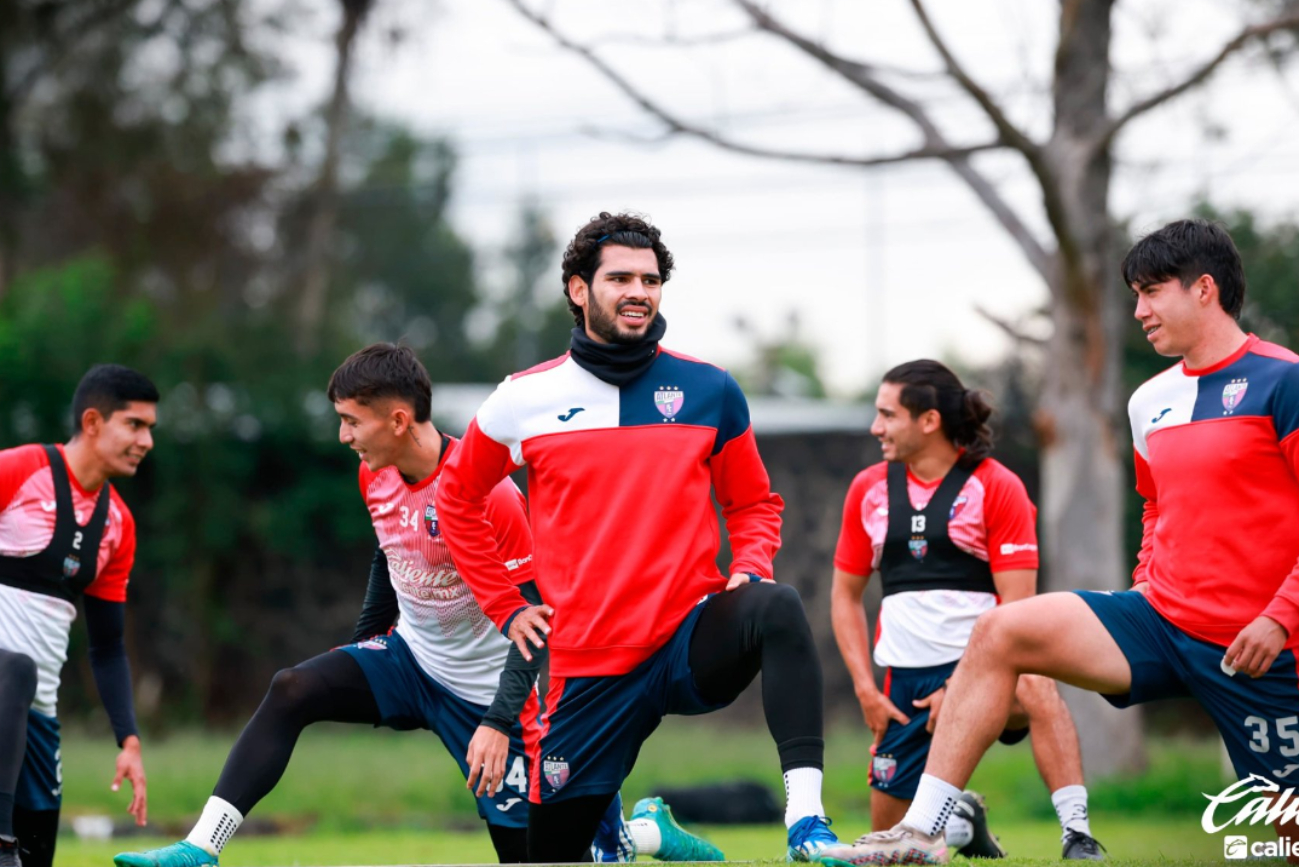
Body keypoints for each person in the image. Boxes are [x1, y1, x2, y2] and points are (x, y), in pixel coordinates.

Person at [113, 344, 716, 867]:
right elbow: (390, 554)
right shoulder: (372, 473)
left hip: (492, 700)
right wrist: (363, 645)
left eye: (351, 421)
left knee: (541, 858)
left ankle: (641, 833)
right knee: (293, 687)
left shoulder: (492, 498)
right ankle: (202, 846)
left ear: (399, 420)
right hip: (410, 661)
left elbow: (538, 625)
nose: (343, 435)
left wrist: (498, 723)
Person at [824, 219, 1299, 865]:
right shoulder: (1148, 400)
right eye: (1133, 294)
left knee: (1289, 836)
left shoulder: (1283, 380)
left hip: (1263, 647)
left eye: (1150, 291)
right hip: (1159, 619)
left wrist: (1279, 617)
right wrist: (1143, 584)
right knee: (1002, 631)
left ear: (1203, 288)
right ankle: (922, 829)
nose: (1138, 311)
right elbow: (1156, 507)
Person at [436, 211, 843, 863]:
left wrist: (753, 561)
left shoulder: (710, 390)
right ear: (577, 289)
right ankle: (644, 832)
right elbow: (455, 497)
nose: (639, 291)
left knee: (776, 605)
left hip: (686, 636)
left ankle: (806, 820)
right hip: (587, 665)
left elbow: (753, 502)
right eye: (620, 276)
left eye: (650, 279)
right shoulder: (522, 398)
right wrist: (506, 606)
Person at [830, 360, 1102, 860]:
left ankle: (1077, 833)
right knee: (890, 842)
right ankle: (959, 823)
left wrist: (960, 689)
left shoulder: (996, 487)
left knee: (1038, 685)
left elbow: (1020, 609)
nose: (876, 428)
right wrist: (866, 689)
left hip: (988, 674)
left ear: (928, 420)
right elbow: (845, 596)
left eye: (888, 415)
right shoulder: (868, 489)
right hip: (904, 689)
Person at [0, 364, 158, 867]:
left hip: (33, 713)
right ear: (93, 422)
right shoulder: (20, 470)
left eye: (150, 428)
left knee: (40, 848)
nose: (147, 440)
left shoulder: (118, 525)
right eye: (135, 425)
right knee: (14, 668)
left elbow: (107, 648)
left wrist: (128, 740)